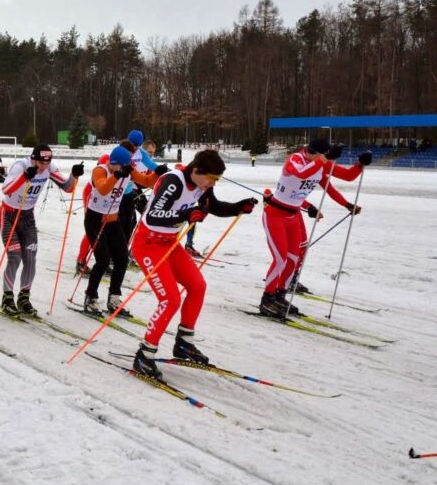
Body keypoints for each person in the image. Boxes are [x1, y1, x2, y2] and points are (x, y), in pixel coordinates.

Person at [131, 149, 257, 379]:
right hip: (148, 244)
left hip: (169, 243)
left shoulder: (202, 185)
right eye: (211, 178)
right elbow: (153, 216)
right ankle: (144, 355)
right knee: (170, 299)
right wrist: (186, 214)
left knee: (197, 286)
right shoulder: (173, 181)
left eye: (216, 180)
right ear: (197, 170)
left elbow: (213, 207)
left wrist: (239, 207)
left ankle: (184, 343)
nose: (212, 184)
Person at [259, 139, 367, 318]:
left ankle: (279, 295)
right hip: (275, 215)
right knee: (280, 259)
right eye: (323, 157)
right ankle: (266, 299)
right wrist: (324, 159)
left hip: (293, 216)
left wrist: (360, 164)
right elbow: (301, 174)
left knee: (293, 260)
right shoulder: (295, 160)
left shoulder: (320, 164)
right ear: (312, 152)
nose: (327, 162)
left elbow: (346, 177)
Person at [0, 144, 83, 315]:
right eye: (40, 163)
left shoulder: (49, 168)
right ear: (33, 159)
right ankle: (7, 297)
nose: (43, 167)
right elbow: (6, 189)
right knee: (14, 256)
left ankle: (24, 297)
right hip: (8, 215)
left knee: (30, 257)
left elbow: (68, 188)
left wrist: (74, 175)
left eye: (46, 163)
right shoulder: (20, 166)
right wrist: (24, 177)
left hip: (28, 217)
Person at [82, 145, 161, 316]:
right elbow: (103, 188)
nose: (117, 168)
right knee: (102, 260)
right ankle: (90, 297)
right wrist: (117, 175)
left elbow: (147, 181)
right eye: (116, 166)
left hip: (112, 220)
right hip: (95, 220)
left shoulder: (127, 170)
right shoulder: (100, 170)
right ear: (112, 162)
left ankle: (114, 298)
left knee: (122, 259)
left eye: (121, 167)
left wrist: (157, 172)